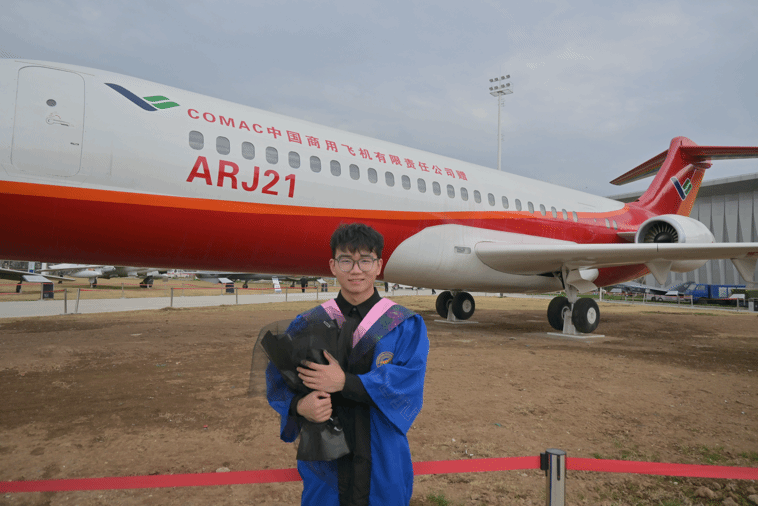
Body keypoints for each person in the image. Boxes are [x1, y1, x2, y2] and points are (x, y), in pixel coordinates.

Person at [265, 223, 429, 506]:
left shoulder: (404, 325)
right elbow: (279, 382)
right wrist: (299, 406)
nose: (356, 270)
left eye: (365, 260)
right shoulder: (309, 323)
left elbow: (407, 384)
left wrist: (344, 382)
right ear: (333, 266)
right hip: (326, 460)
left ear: (378, 265)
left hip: (382, 457)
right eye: (346, 261)